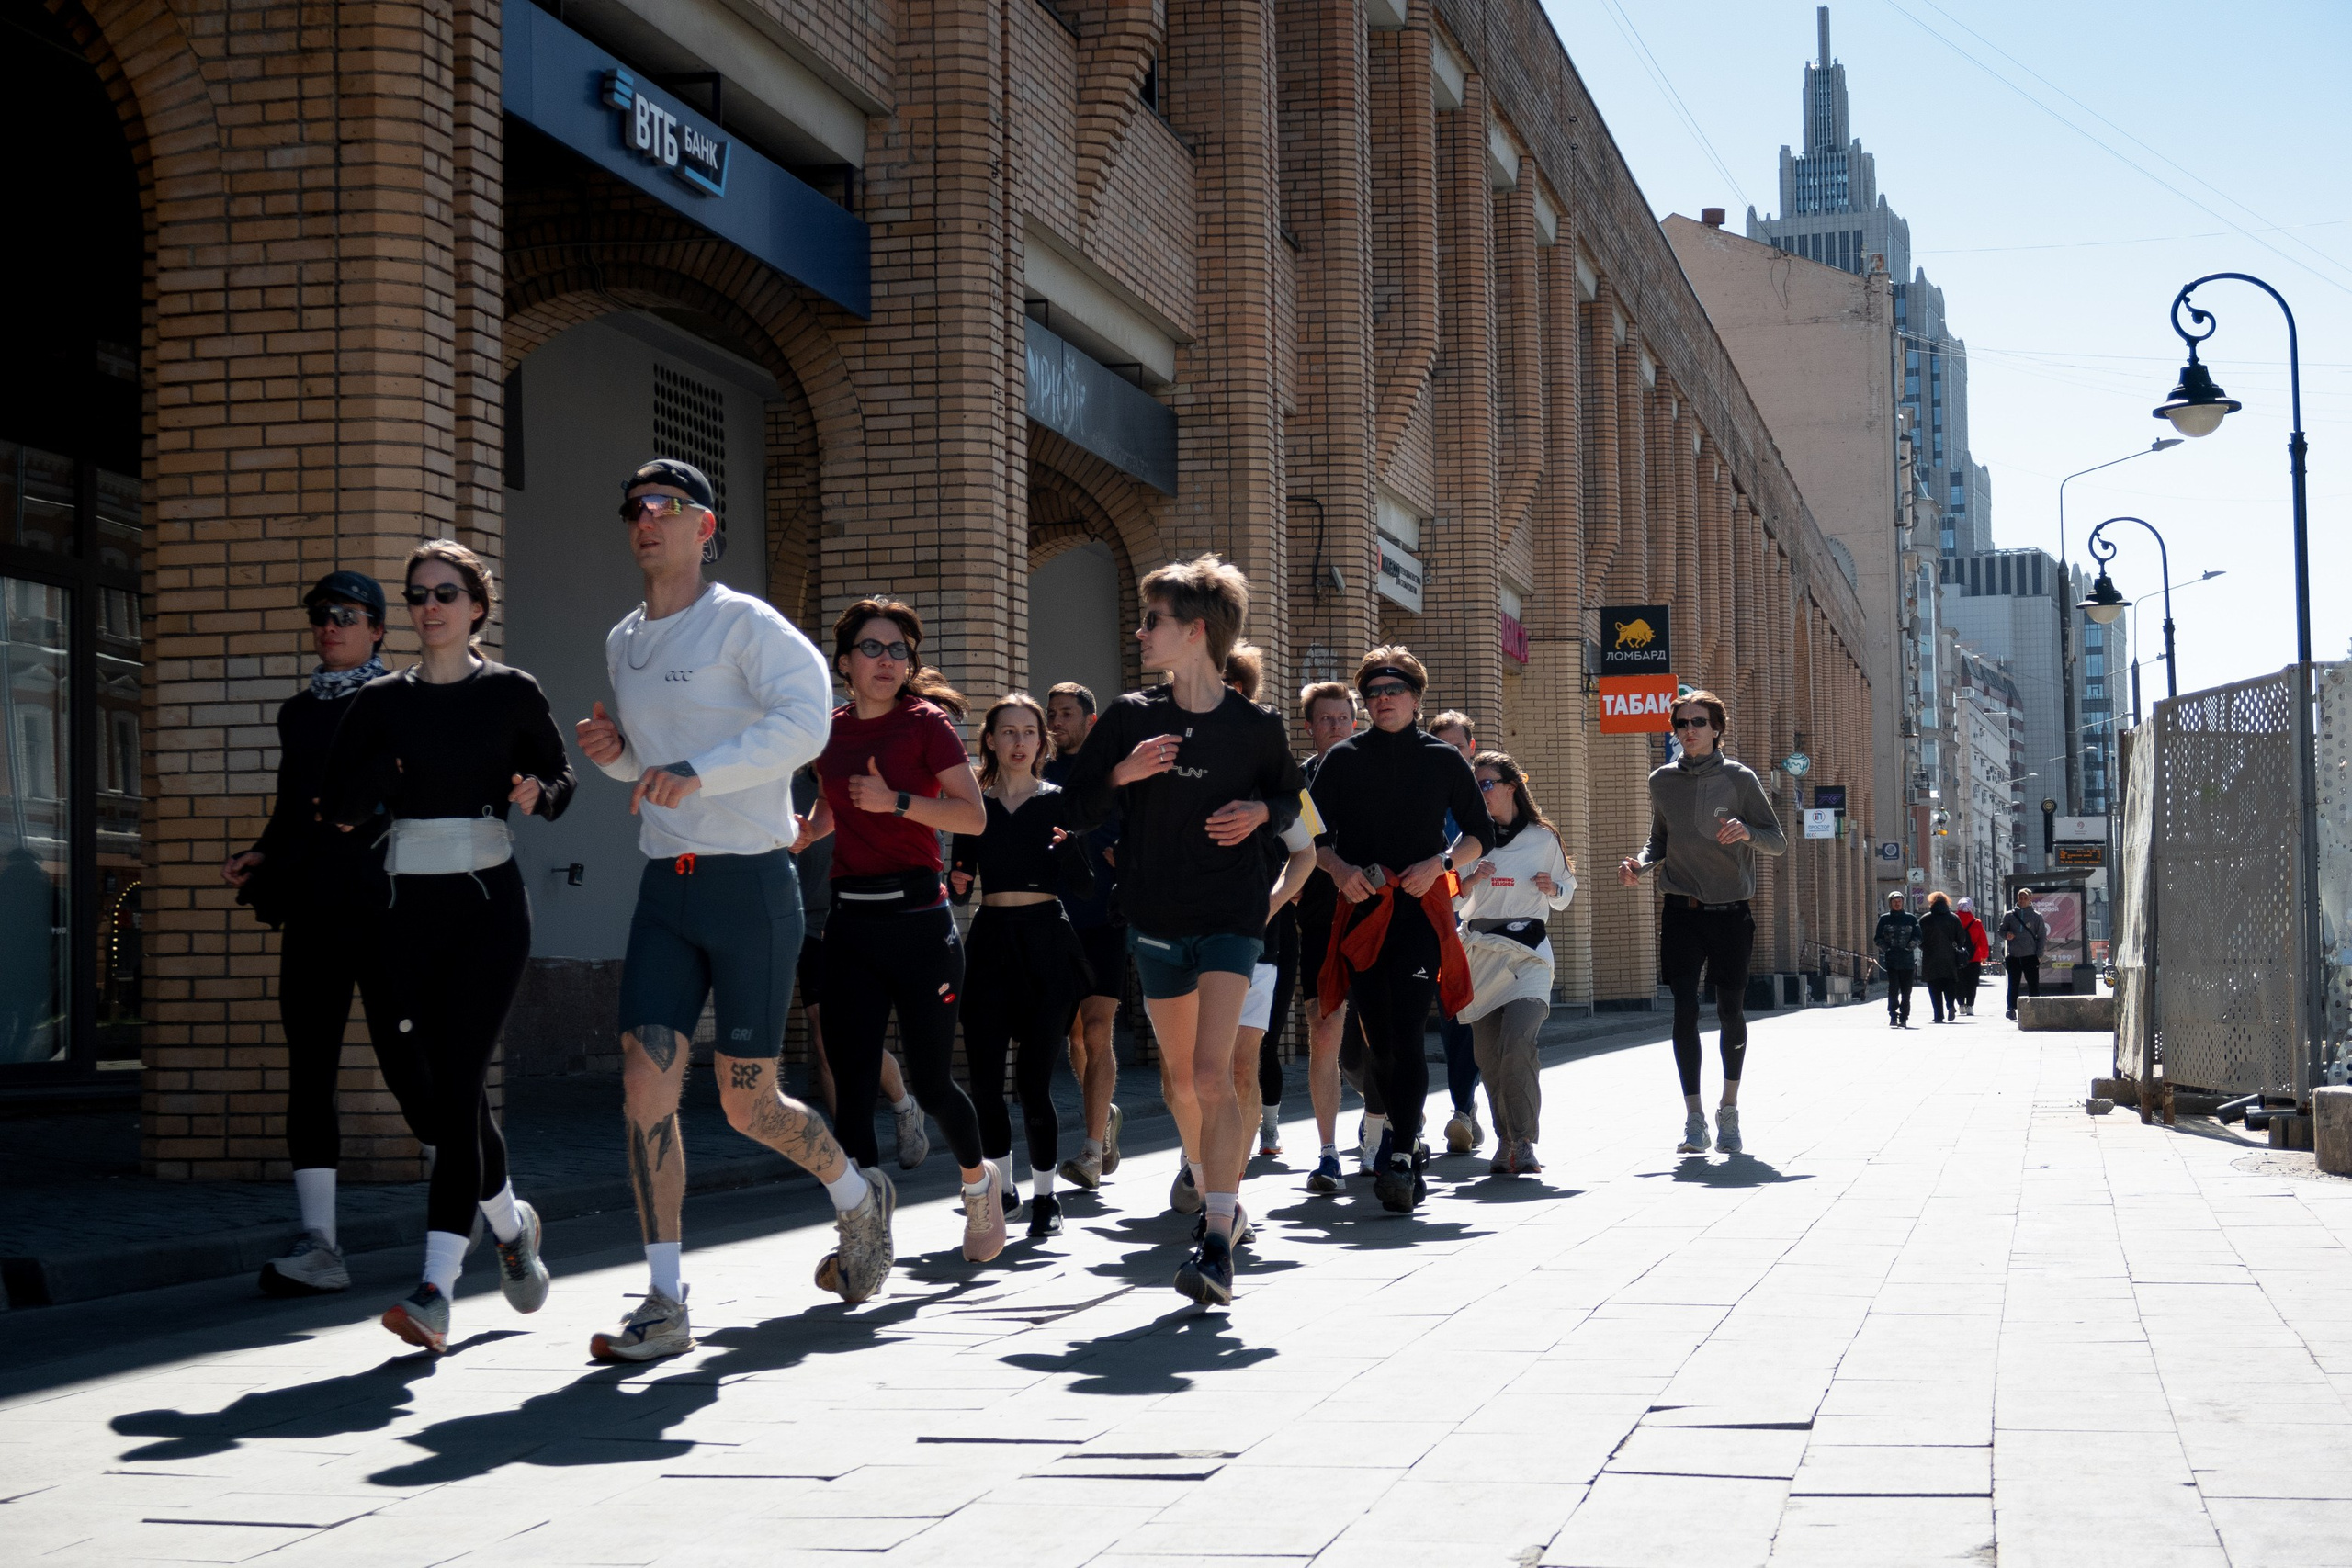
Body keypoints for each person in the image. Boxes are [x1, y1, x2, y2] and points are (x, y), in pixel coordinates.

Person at [572, 459, 892, 1364]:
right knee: (645, 1086)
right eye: (635, 507)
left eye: (667, 508)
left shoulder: (743, 623)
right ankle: (665, 1300)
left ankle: (855, 1198)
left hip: (748, 885)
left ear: (704, 527)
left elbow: (807, 725)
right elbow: (648, 768)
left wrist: (698, 773)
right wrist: (614, 754)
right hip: (662, 890)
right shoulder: (624, 639)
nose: (647, 521)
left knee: (748, 1103)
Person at [320, 541, 574, 1355]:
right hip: (403, 909)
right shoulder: (379, 701)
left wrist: (542, 791)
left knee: (462, 1079)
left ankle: (434, 1288)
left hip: (486, 909)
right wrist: (383, 780)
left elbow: (559, 776)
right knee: (435, 1102)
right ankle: (509, 1223)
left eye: (446, 592)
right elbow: (337, 805)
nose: (430, 606)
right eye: (418, 594)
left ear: (476, 606)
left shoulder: (510, 692)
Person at [1062, 555, 1303, 1305]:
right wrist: (1121, 776)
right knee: (1176, 1081)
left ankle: (1217, 1237)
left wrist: (1264, 813)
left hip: (1232, 917)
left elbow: (1295, 802)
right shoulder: (1131, 718)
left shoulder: (1255, 725)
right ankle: (1213, 1188)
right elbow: (1072, 807)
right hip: (1157, 917)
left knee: (1211, 1072)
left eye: (1152, 621)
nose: (1140, 633)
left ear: (1196, 632)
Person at [223, 570, 428, 1297]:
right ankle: (322, 1246)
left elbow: (421, 795)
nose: (329, 625)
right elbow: (291, 808)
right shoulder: (298, 714)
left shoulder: (404, 703)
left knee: (411, 1075)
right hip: (313, 910)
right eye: (320, 615)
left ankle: (498, 1209)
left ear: (377, 627)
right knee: (309, 1068)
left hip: (383, 910)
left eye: (346, 614)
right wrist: (265, 852)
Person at [800, 599, 1006, 1261]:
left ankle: (980, 1185)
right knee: (851, 1083)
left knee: (931, 1079)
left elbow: (971, 817)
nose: (886, 660)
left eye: (898, 650)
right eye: (872, 648)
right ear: (844, 663)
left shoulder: (928, 725)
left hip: (920, 923)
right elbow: (836, 803)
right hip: (851, 924)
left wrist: (897, 802)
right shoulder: (827, 730)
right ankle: (863, 1228)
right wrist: (806, 832)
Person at [1310, 647, 1491, 1213]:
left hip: (1418, 914)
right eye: (1373, 693)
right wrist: (1339, 871)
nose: (1383, 701)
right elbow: (1308, 836)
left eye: (1393, 691)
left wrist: (1439, 864)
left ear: (1416, 697)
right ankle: (1402, 1138)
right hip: (1362, 914)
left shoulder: (1443, 760)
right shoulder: (1339, 761)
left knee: (1409, 1029)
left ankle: (1404, 1151)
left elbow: (1479, 835)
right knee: (1377, 1039)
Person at [950, 693, 1095, 1239]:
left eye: (1028, 732)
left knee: (1034, 1082)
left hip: (1046, 943)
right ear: (990, 740)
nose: (1018, 741)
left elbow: (1083, 886)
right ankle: (1002, 1189)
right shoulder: (975, 805)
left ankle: (1045, 1196)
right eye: (1007, 732)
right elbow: (961, 889)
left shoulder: (1058, 802)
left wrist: (1069, 854)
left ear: (1041, 741)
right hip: (990, 942)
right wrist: (956, 884)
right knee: (986, 1081)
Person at [1617, 690, 1786, 1156]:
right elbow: (1659, 841)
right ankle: (1694, 1118)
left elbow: (1777, 841)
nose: (1688, 731)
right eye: (1680, 724)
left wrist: (1748, 832)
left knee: (1731, 1012)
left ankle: (1728, 1110)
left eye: (1697, 722)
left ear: (1716, 729)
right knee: (1684, 1012)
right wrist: (1640, 865)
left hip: (1732, 913)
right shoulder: (1662, 781)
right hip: (1681, 912)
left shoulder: (1741, 779)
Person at [792, 764, 927, 1164]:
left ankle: (904, 1106)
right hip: (806, 925)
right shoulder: (786, 785)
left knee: (852, 1036)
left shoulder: (862, 784)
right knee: (824, 1038)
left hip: (856, 920)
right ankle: (847, 1153)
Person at [1453, 751, 1575, 1176]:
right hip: (1481, 954)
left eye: (1487, 784)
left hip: (1528, 953)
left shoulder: (1543, 839)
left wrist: (1553, 885)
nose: (1481, 793)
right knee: (1489, 1057)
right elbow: (1450, 898)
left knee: (1518, 1042)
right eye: (1476, 786)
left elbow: (1566, 892)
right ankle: (1504, 1138)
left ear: (1510, 787)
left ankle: (1524, 1142)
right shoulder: (1469, 841)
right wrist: (1470, 879)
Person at [1043, 683, 1126, 1190]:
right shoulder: (1040, 773)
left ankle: (1092, 1152)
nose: (1056, 721)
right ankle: (1105, 1113)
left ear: (1090, 721)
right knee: (1073, 1033)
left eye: (1066, 713)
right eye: (1051, 712)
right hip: (1054, 919)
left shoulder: (1111, 775)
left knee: (1097, 1030)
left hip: (1105, 918)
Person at [1223, 644, 1298, 1161]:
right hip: (1184, 936)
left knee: (1243, 1064)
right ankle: (1199, 1160)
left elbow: (1308, 853)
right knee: (1189, 1071)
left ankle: (1229, 1178)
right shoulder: (1169, 761)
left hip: (1260, 938)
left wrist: (1267, 907)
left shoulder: (1278, 773)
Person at [1292, 682, 1363, 1194]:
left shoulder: (1377, 775)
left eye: (1344, 718)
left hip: (1377, 917)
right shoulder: (1296, 785)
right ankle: (1328, 1151)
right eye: (1326, 720)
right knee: (1325, 1027)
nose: (1336, 727)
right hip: (1318, 919)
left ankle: (1387, 1127)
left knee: (1376, 1030)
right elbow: (1290, 848)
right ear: (1309, 727)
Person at [1427, 710, 1485, 1155]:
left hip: (1467, 928)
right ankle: (1387, 1105)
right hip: (1421, 919)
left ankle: (1463, 1111)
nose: (1450, 754)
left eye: (1457, 746)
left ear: (1471, 747)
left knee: (1457, 1023)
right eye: (1440, 746)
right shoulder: (1423, 795)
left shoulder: (1487, 798)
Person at [1918, 891, 1968, 1024]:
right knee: (1949, 984)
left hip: (1931, 958)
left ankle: (1938, 1015)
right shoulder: (1953, 918)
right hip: (1949, 958)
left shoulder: (1925, 919)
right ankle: (1950, 1005)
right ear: (1946, 902)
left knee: (1934, 987)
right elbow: (1961, 938)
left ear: (1932, 902)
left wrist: (1926, 948)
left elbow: (1919, 938)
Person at [1999, 888, 2049, 1019]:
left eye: (2025, 898)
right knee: (2013, 984)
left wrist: (2039, 954)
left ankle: (2034, 1007)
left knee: (2033, 983)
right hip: (2014, 955)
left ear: (2030, 899)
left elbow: (2042, 936)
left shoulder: (2036, 916)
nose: (2022, 900)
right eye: (2020, 898)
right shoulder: (2009, 915)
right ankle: (2011, 1008)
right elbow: (2001, 930)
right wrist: (2006, 935)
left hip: (2030, 955)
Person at [1875, 891, 1921, 1029]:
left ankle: (1904, 1016)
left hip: (1907, 962)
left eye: (1899, 901)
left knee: (1907, 991)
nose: (1897, 903)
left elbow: (1918, 937)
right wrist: (1887, 949)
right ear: (1890, 903)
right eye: (1894, 901)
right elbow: (1878, 938)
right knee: (1893, 989)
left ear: (1903, 902)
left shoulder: (1911, 919)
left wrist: (1908, 948)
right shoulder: (1884, 919)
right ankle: (1893, 1014)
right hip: (1892, 961)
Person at [1955, 897, 1990, 1018]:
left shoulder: (1954, 920)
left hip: (1957, 957)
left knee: (1959, 982)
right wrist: (1984, 956)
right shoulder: (1976, 923)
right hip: (1974, 958)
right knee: (1972, 983)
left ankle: (1961, 1005)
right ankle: (1970, 1006)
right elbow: (1983, 941)